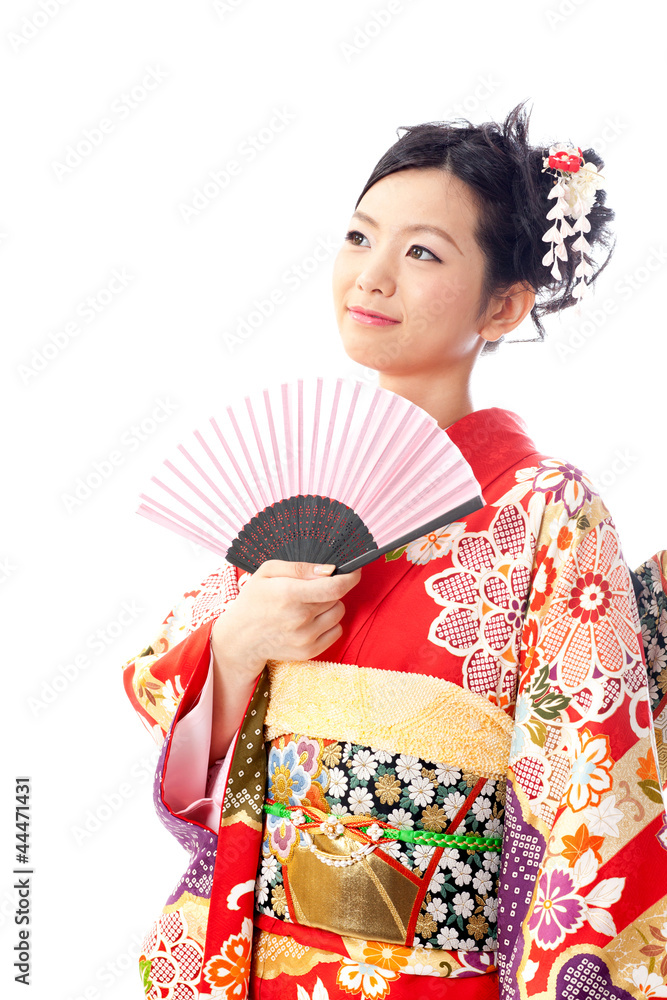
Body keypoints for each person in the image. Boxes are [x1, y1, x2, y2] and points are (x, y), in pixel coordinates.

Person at [122, 101, 667, 999]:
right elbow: (160, 692)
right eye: (358, 236)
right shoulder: (299, 489)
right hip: (260, 961)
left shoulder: (546, 512)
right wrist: (233, 651)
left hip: (435, 977)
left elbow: (590, 793)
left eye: (421, 252)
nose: (370, 276)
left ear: (506, 303)